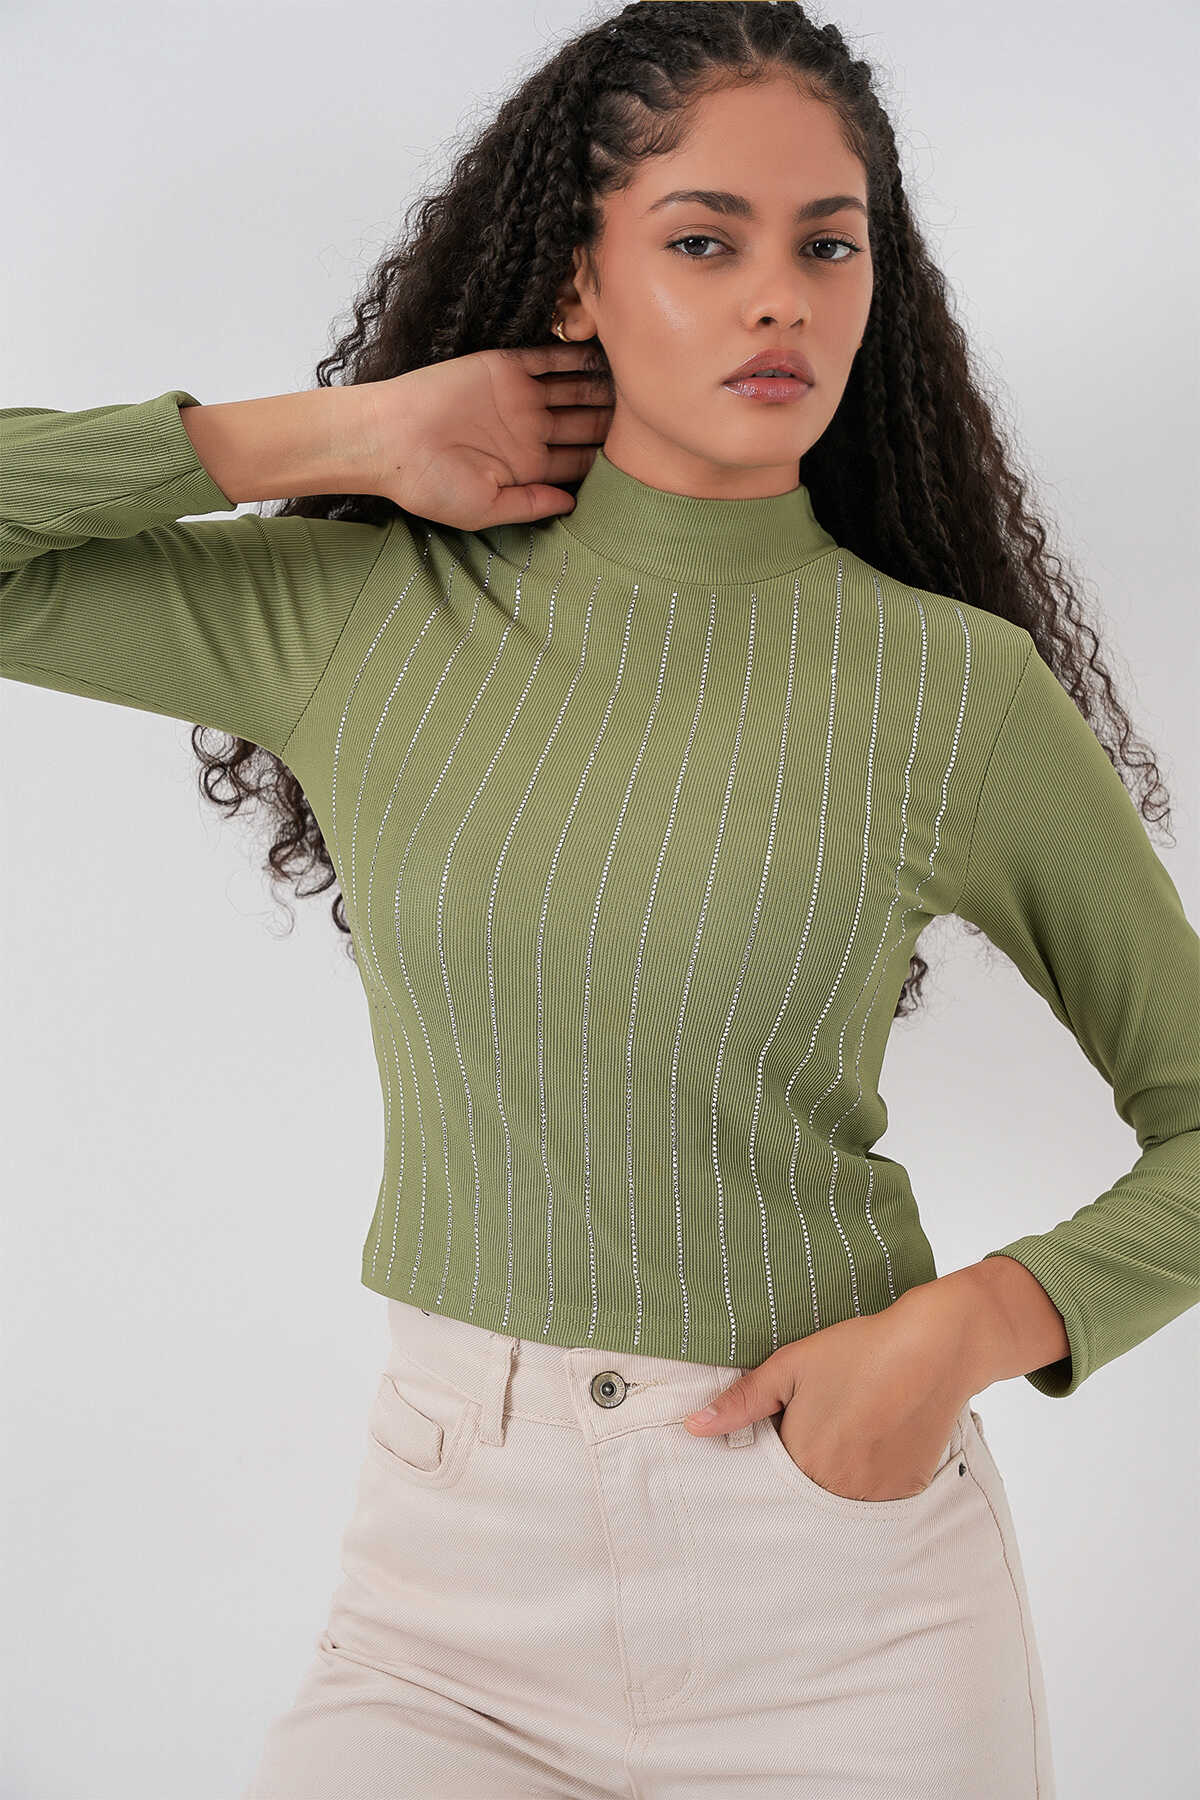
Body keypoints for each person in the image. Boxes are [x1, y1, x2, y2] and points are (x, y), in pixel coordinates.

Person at [3, 4, 1196, 1796]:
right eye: (706, 242)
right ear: (578, 279)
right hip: (448, 1596)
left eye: (829, 246)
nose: (780, 299)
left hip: (839, 1590)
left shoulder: (949, 695)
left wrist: (974, 1329)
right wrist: (337, 434)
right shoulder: (361, 614)